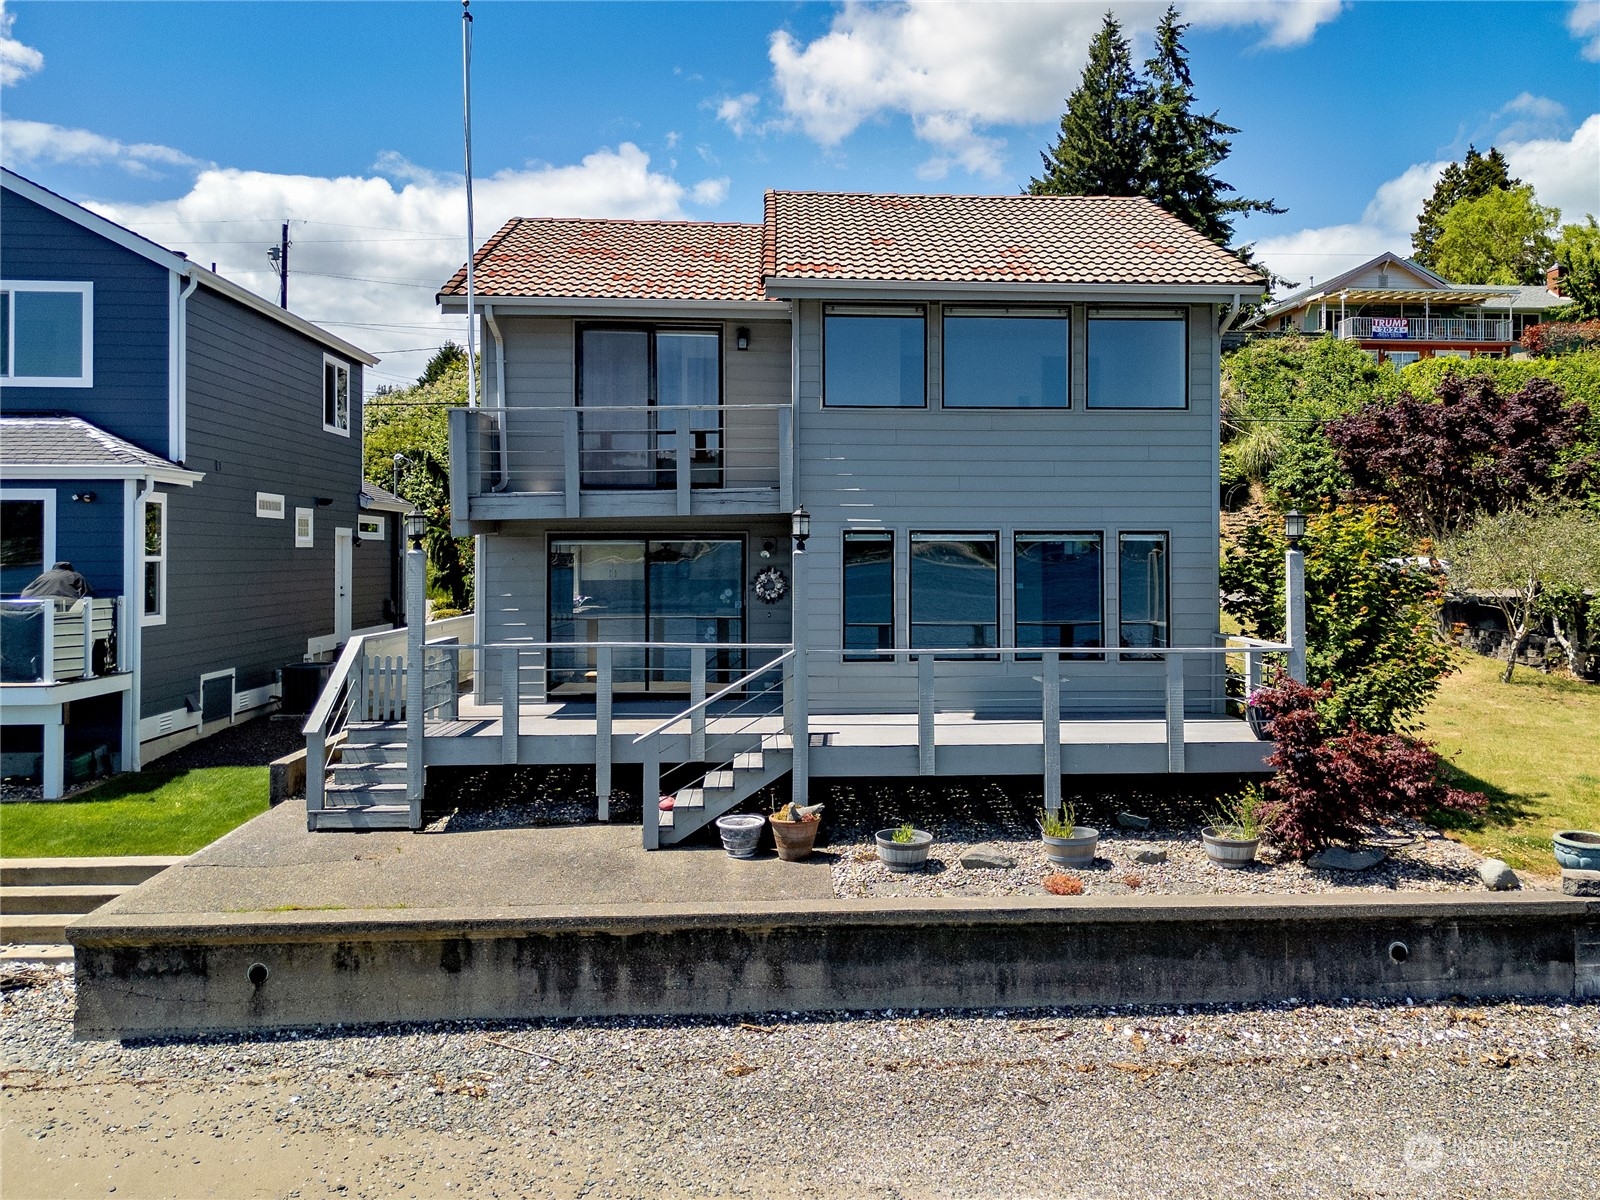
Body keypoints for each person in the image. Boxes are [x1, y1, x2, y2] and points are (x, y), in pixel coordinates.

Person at [20, 561, 93, 600]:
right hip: (64, 603)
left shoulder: (44, 576)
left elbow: (26, 593)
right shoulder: (75, 575)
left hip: (37, 603)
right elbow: (88, 595)